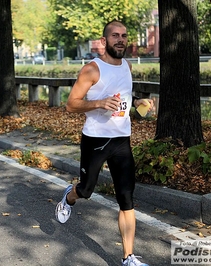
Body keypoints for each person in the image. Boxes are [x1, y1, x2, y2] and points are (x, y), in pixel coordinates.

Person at [55, 20, 153, 266]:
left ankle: (128, 257)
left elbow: (124, 98)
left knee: (126, 198)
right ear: (104, 41)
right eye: (115, 36)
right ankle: (69, 197)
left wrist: (140, 102)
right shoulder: (91, 69)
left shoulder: (127, 66)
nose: (120, 39)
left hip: (122, 140)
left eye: (123, 35)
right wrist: (98, 103)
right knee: (86, 190)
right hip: (95, 140)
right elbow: (71, 104)